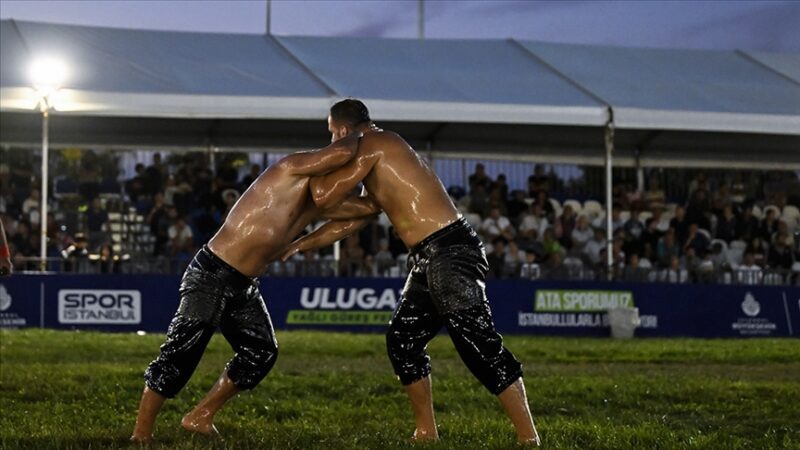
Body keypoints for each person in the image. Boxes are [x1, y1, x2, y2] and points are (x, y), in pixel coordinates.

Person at [283, 99, 540, 445]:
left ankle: (529, 438)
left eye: (332, 134)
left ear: (342, 130)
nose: (332, 142)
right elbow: (351, 219)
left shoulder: (374, 143)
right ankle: (426, 432)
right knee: (403, 340)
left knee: (478, 345)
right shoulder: (378, 156)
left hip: (449, 250)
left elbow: (325, 197)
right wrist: (301, 244)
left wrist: (308, 170)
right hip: (428, 255)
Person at [130, 135, 379, 444]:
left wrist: (377, 185)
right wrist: (371, 140)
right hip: (213, 272)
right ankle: (141, 435)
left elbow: (368, 209)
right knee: (180, 354)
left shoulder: (319, 203)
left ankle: (200, 416)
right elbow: (343, 149)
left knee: (261, 352)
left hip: (245, 284)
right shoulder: (291, 168)